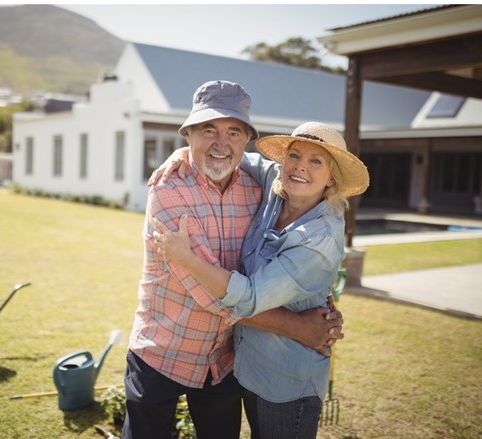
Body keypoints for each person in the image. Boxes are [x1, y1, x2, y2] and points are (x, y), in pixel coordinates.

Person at [122, 81, 344, 439]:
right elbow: (214, 296)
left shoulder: (258, 189)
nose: (221, 143)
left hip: (223, 361)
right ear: (189, 135)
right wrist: (298, 327)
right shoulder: (168, 193)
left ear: (245, 140)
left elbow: (250, 290)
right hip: (165, 351)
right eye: (208, 130)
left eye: (233, 132)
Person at [153, 121, 370, 438]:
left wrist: (185, 258)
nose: (300, 167)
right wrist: (184, 152)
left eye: (316, 161)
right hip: (250, 366)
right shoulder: (277, 185)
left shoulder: (319, 238)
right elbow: (227, 153)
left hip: (287, 380)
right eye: (294, 156)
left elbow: (250, 297)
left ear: (332, 177)